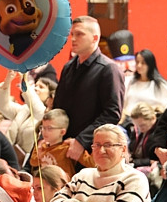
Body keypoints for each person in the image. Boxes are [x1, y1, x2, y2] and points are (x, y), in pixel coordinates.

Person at [52, 16, 126, 165]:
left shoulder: (108, 69)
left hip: (91, 150)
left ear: (95, 38)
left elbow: (112, 113)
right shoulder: (69, 67)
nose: (73, 39)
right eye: (72, 34)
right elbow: (58, 108)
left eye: (79, 34)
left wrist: (82, 140)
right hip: (65, 145)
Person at [0, 70, 54, 160]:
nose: (36, 88)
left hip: (27, 163)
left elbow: (35, 105)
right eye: (36, 86)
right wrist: (8, 80)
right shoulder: (24, 110)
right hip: (6, 155)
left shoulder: (48, 116)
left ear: (50, 96)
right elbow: (2, 105)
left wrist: (23, 78)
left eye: (41, 87)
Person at [29, 108, 89, 178]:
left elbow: (89, 162)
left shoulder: (67, 148)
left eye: (49, 128)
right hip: (44, 182)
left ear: (62, 132)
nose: (44, 131)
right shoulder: (42, 146)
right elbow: (33, 162)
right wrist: (39, 154)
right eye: (43, 127)